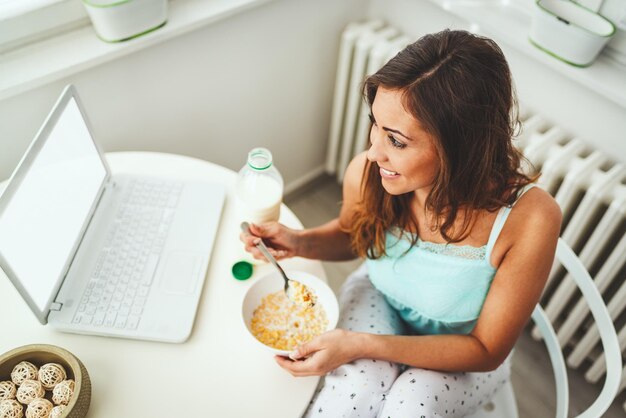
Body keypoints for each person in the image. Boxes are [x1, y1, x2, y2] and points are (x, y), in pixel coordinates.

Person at [241, 29, 561, 418]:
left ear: (462, 148)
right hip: (382, 299)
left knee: (412, 405)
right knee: (350, 395)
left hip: (467, 347)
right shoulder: (372, 171)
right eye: (375, 124)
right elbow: (354, 235)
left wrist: (362, 345)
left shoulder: (529, 220)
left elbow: (486, 349)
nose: (374, 151)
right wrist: (299, 242)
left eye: (396, 141)